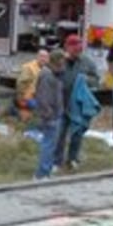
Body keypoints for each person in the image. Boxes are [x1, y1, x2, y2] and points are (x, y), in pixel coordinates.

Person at [55, 36, 98, 169]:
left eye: (78, 47)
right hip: (61, 103)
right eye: (73, 47)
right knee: (59, 134)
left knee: (77, 133)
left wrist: (85, 79)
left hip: (78, 105)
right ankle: (57, 161)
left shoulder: (87, 62)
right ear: (67, 47)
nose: (76, 50)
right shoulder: (59, 60)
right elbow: (50, 74)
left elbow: (96, 80)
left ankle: (73, 158)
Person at [34, 48, 66, 179]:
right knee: (48, 145)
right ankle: (41, 174)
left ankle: (46, 171)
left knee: (51, 145)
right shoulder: (47, 76)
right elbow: (43, 98)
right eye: (62, 61)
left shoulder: (54, 74)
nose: (64, 65)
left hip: (55, 115)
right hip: (50, 117)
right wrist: (49, 115)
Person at [10, 50, 48, 122]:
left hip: (37, 97)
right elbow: (21, 83)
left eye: (45, 57)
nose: (43, 59)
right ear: (37, 57)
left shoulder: (45, 69)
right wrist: (20, 99)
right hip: (27, 97)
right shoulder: (29, 67)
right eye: (41, 56)